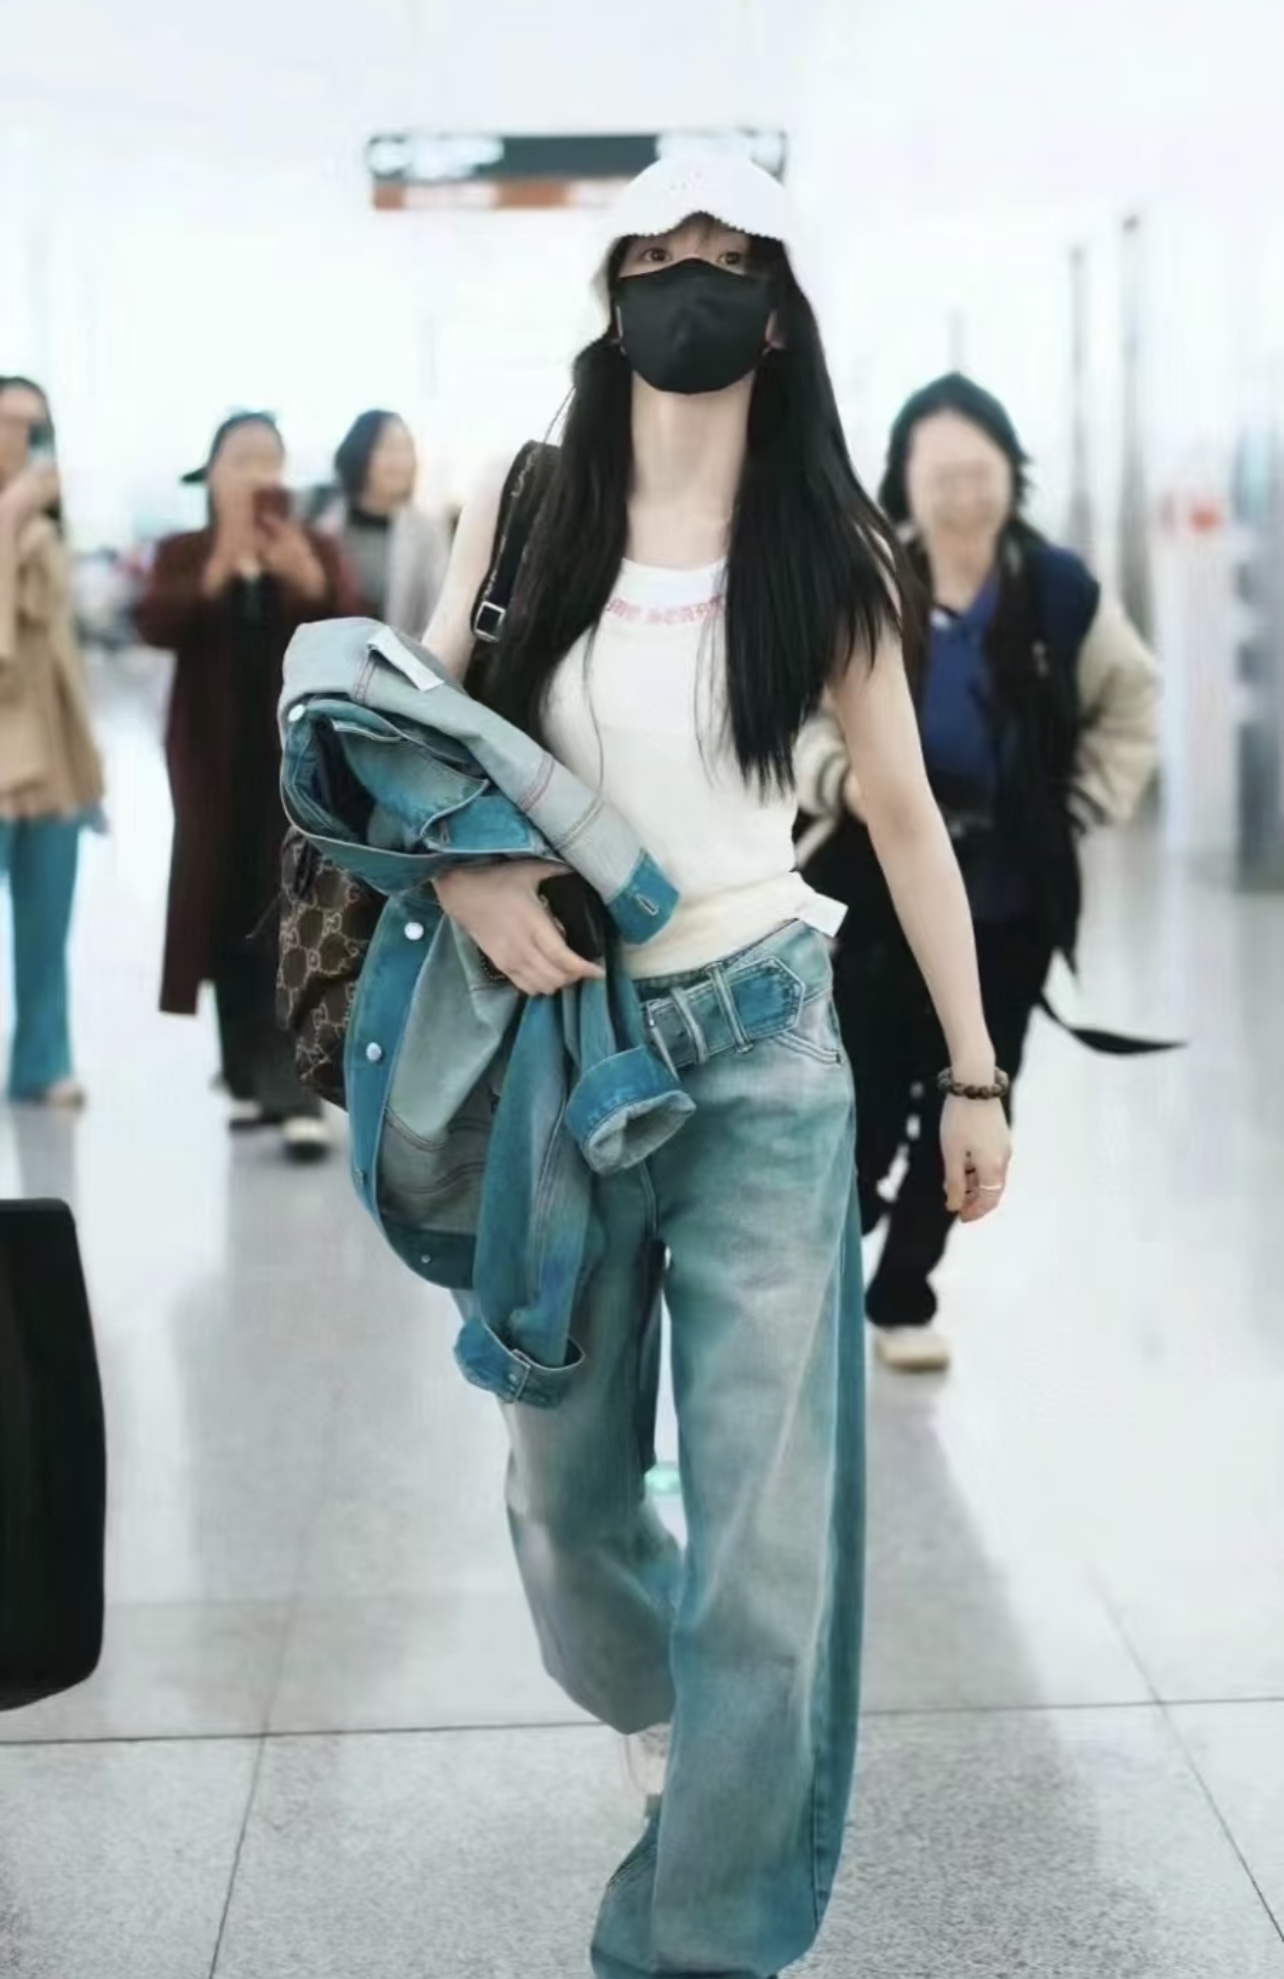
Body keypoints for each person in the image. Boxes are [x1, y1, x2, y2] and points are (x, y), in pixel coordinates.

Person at [420, 155, 1012, 1979]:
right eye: (659, 252)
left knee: (763, 1551)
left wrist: (975, 1072)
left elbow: (902, 820)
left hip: (764, 1053)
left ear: (772, 310)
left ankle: (698, 1931)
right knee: (563, 1504)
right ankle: (677, 1707)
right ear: (613, 290)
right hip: (565, 1055)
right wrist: (467, 870)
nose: (689, 278)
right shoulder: (525, 504)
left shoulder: (827, 552)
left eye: (726, 255)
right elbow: (412, 734)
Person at [798, 372, 1159, 1374]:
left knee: (976, 1095)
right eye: (941, 474)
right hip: (878, 889)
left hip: (1008, 898)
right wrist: (845, 784)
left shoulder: (1059, 591)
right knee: (862, 1100)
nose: (964, 493)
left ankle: (903, 1293)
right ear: (904, 484)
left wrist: (1074, 809)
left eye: (981, 470)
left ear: (1012, 472)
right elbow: (800, 716)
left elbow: (1133, 702)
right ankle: (822, 1279)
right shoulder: (869, 585)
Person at [135, 413, 359, 1162]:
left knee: (289, 913)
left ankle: (296, 1089)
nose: (258, 475)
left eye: (270, 460)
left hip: (294, 764)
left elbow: (353, 626)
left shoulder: (312, 544)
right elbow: (156, 621)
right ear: (210, 474)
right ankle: (244, 1076)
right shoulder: (185, 549)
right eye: (241, 460)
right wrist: (222, 562)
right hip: (209, 762)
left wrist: (305, 578)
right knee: (225, 912)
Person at [0, 375, 105, 1107]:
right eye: (7, 421)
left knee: (47, 922)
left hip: (55, 757)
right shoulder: (19, 520)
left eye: (34, 425)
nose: (21, 438)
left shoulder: (50, 530)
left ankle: (43, 1060)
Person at [312, 410, 449, 637]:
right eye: (388, 447)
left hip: (404, 655)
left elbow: (439, 614)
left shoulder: (428, 531)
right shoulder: (324, 524)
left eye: (407, 448)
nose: (401, 460)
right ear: (360, 452)